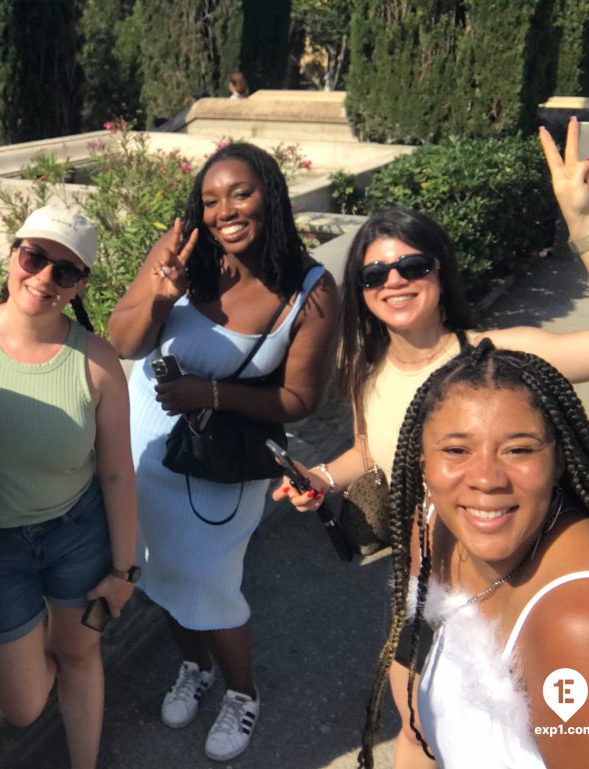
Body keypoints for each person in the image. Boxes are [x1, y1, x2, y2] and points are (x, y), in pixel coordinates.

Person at [274, 117, 589, 766]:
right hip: (422, 576)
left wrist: (586, 228)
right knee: (416, 719)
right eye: (374, 273)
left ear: (441, 273)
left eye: (412, 264)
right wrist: (321, 477)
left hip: (513, 576)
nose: (394, 280)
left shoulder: (496, 359)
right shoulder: (368, 371)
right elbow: (369, 450)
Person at [108, 142, 340, 761]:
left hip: (222, 461)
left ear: (271, 193)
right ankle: (194, 668)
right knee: (160, 573)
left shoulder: (311, 290)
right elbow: (122, 338)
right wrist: (161, 295)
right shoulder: (181, 248)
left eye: (240, 193)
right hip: (146, 445)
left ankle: (242, 692)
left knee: (210, 580)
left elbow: (298, 400)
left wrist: (209, 391)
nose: (224, 210)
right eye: (211, 199)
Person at [357, 341, 589, 768]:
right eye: (456, 450)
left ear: (558, 461)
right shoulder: (431, 532)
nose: (486, 479)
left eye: (519, 449)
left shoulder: (588, 620)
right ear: (423, 462)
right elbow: (417, 735)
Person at [0, 203, 137, 769]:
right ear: (13, 254)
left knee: (79, 655)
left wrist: (124, 572)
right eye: (34, 257)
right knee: (24, 705)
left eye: (66, 270)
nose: (45, 277)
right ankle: (30, 656)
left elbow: (118, 473)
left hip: (75, 534)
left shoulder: (95, 360)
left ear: (80, 284)